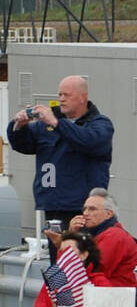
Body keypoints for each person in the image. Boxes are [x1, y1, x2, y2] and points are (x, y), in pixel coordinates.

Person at [6, 74, 113, 226]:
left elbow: (88, 141)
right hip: (51, 203)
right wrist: (18, 126)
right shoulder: (45, 125)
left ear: (83, 97)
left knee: (79, 248)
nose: (62, 99)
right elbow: (22, 145)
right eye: (60, 94)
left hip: (83, 206)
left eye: (67, 95)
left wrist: (57, 124)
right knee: (57, 248)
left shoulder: (100, 124)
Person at [66, 189, 137, 288]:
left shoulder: (114, 235)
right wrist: (71, 236)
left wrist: (68, 240)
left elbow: (89, 271)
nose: (85, 213)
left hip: (116, 298)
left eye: (92, 209)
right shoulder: (97, 234)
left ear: (109, 214)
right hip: (108, 294)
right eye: (84, 209)